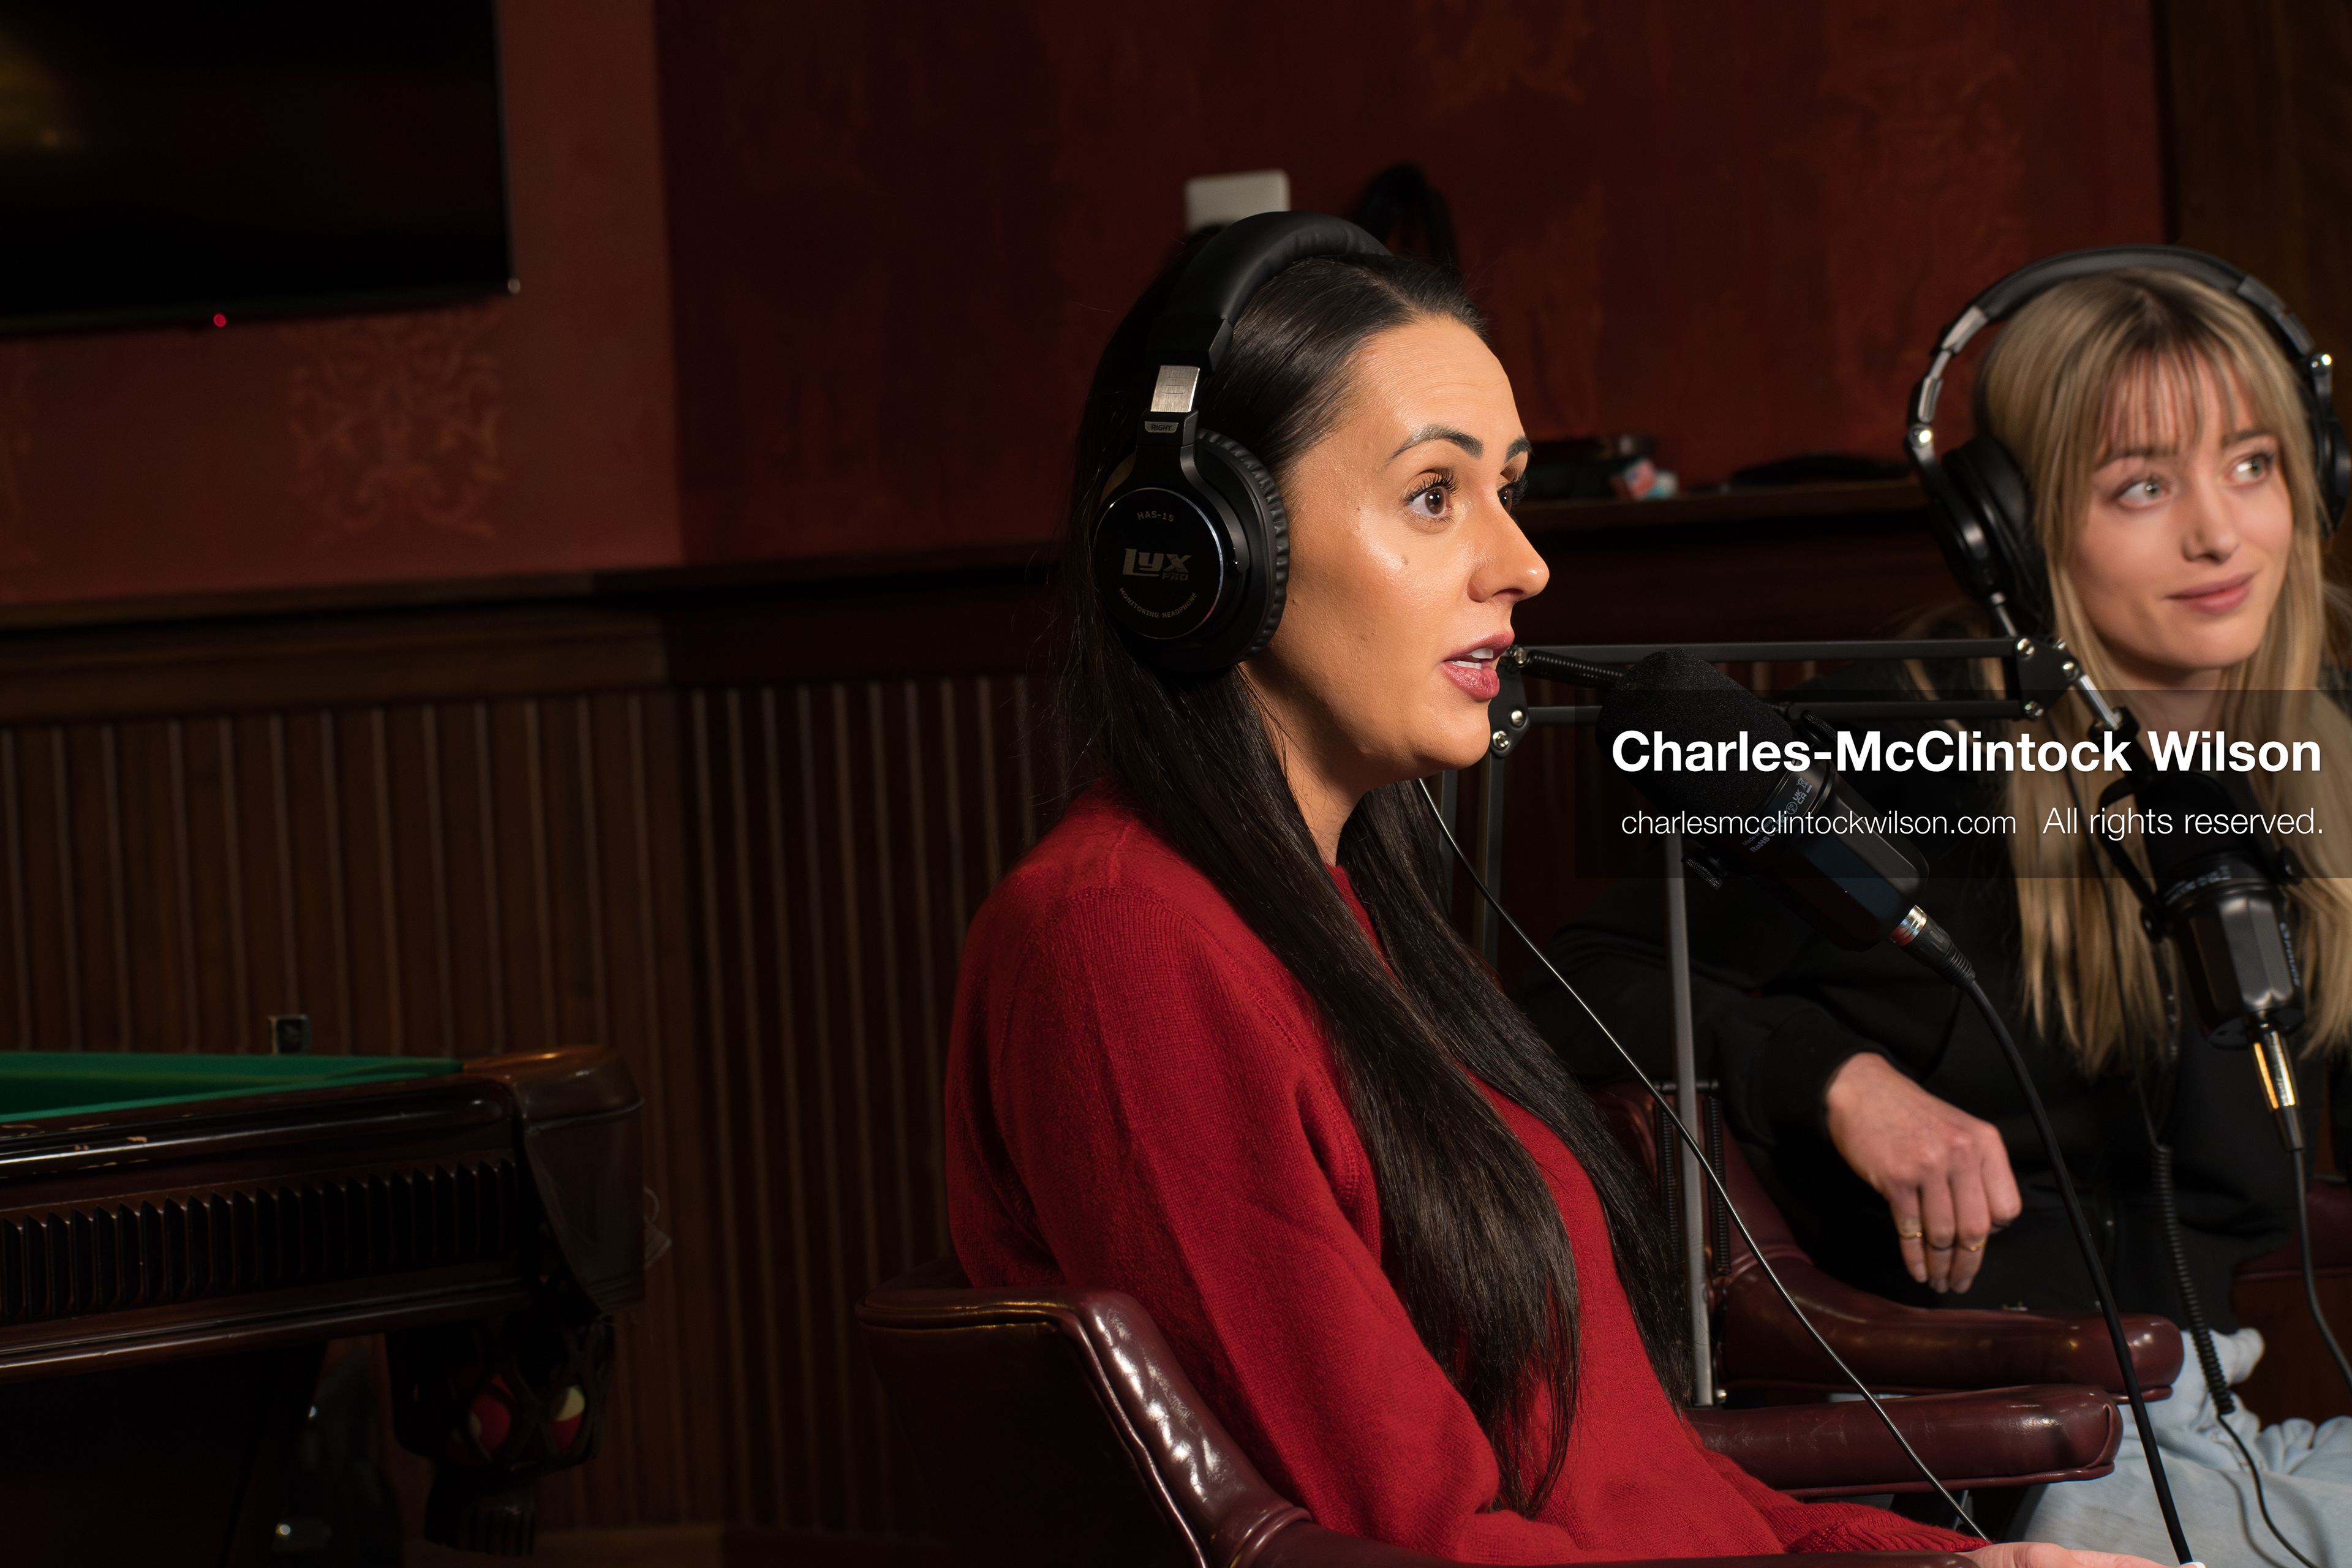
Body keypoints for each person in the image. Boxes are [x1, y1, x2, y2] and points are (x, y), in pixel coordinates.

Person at [944, 221, 2159, 1565]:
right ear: (1206, 547)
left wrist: (1955, 1562)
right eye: (1432, 495)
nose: (1520, 561)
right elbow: (1400, 1537)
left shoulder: (1341, 931)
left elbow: (1635, 1493)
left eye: (1508, 489)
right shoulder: (1125, 944)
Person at [1528, 263, 2352, 1559]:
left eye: (2253, 466)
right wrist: (1834, 1075)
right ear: (2013, 530)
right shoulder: (1905, 747)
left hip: (2231, 1429)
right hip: (2004, 1465)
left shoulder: (2324, 760)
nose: (2223, 534)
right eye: (2144, 485)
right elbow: (1573, 976)